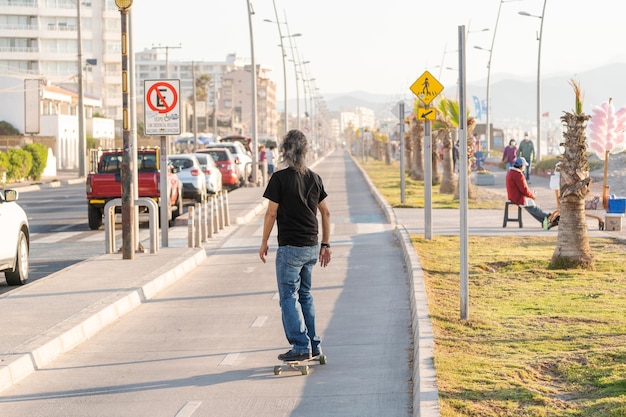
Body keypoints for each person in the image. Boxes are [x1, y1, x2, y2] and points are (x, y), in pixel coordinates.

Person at [259, 129, 332, 362]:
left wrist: (263, 242)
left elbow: (271, 214)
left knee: (288, 296)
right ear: (305, 151)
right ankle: (314, 344)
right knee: (306, 295)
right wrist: (326, 244)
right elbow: (326, 212)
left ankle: (301, 346)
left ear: (284, 151)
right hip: (311, 246)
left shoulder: (279, 179)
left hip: (290, 247)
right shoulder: (314, 177)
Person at [506, 157, 558, 230]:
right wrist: (532, 196)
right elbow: (524, 189)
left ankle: (545, 221)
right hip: (518, 197)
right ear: (521, 166)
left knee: (533, 208)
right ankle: (550, 217)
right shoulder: (518, 175)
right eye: (524, 166)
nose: (524, 167)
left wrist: (530, 195)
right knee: (534, 208)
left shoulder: (511, 172)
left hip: (513, 195)